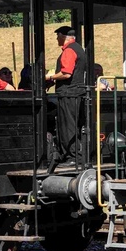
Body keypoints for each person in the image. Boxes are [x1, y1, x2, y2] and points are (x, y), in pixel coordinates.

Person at [45, 26, 87, 170]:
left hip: (69, 94)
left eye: (58, 36)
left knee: (67, 126)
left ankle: (72, 157)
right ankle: (77, 156)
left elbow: (66, 73)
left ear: (63, 36)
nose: (57, 39)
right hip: (77, 93)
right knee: (74, 125)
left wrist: (49, 77)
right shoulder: (79, 49)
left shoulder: (69, 51)